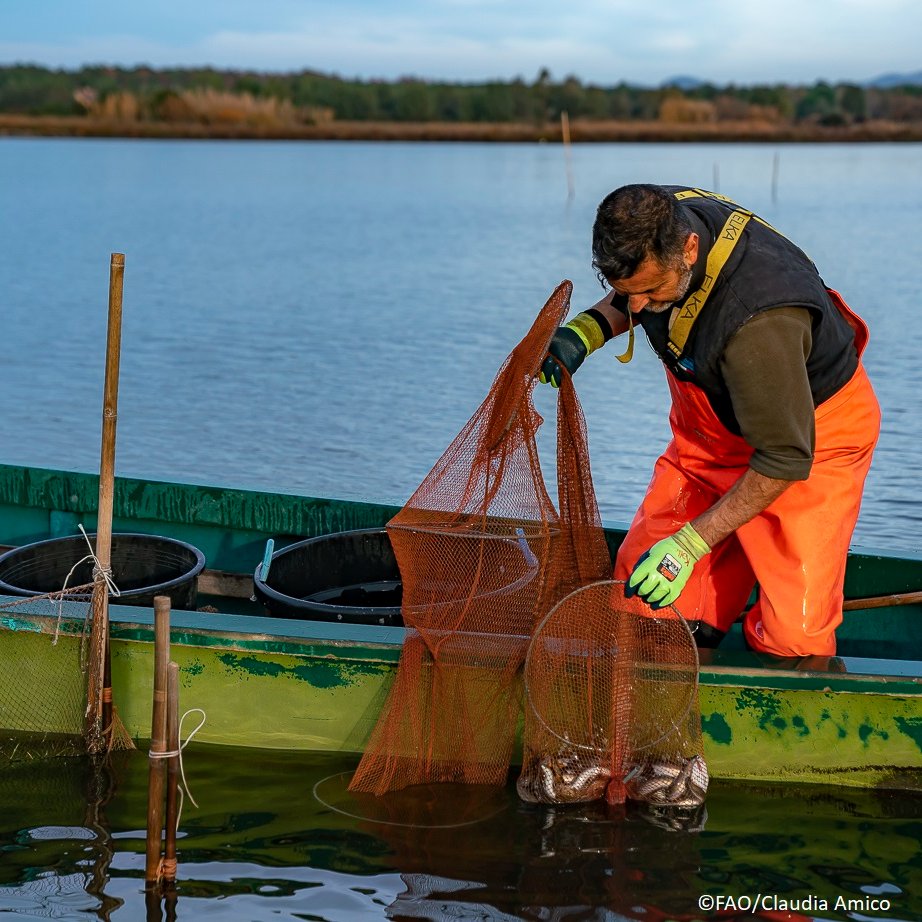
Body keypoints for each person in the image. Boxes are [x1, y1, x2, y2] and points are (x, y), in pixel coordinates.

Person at [540, 184, 880, 657]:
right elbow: (636, 289)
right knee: (645, 604)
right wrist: (586, 331)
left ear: (690, 249)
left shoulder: (757, 323)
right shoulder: (659, 216)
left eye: (652, 292)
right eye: (624, 293)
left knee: (795, 640)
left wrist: (689, 545)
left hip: (810, 445)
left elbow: (784, 457)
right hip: (710, 441)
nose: (636, 308)